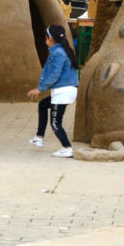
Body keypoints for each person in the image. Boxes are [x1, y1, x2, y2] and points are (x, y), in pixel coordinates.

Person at [26, 24, 80, 158]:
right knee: (43, 105)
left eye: (46, 37)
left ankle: (67, 148)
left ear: (50, 39)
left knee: (56, 123)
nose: (45, 40)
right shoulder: (60, 51)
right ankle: (39, 137)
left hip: (64, 92)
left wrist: (40, 88)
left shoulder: (58, 53)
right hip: (63, 91)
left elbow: (55, 74)